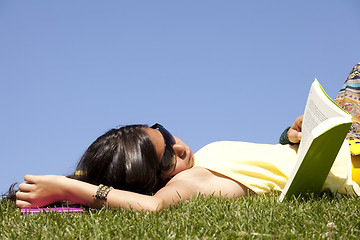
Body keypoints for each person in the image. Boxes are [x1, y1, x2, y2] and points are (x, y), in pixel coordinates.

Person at [13, 63, 360, 212]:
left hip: (342, 141)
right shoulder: (189, 183)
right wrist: (68, 188)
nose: (180, 148)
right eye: (167, 158)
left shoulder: (201, 160)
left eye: (165, 133)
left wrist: (289, 136)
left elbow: (265, 166)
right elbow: (152, 208)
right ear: (150, 180)